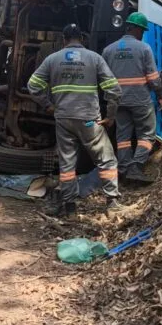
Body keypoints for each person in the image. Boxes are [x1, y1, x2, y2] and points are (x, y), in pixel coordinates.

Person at [27, 24, 124, 217]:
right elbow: (114, 90)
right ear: (82, 39)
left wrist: (48, 105)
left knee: (67, 164)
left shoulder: (52, 59)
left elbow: (33, 85)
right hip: (89, 120)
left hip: (63, 119)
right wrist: (110, 116)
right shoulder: (94, 58)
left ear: (64, 40)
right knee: (105, 159)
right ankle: (112, 202)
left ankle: (70, 207)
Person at [101, 13, 162, 184]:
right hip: (140, 99)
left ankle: (123, 169)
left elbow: (104, 79)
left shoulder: (108, 50)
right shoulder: (143, 48)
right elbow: (153, 78)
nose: (142, 34)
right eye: (142, 30)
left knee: (123, 137)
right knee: (148, 134)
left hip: (118, 101)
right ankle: (136, 167)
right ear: (135, 29)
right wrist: (159, 93)